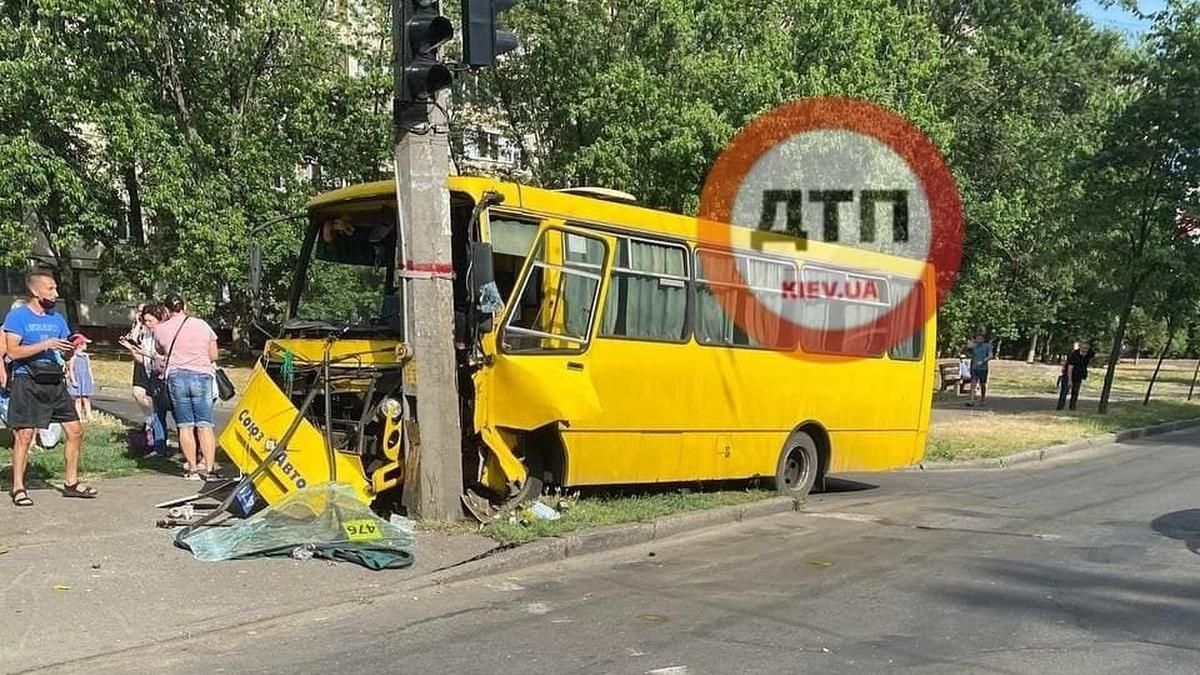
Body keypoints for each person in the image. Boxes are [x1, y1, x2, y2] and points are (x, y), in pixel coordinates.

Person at [3, 269, 96, 506]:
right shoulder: (18, 317)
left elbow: (65, 353)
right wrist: (45, 344)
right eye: (50, 289)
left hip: (54, 381)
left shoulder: (57, 318)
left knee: (75, 431)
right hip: (28, 380)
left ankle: (71, 483)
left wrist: (69, 350)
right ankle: (18, 487)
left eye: (56, 288)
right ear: (35, 291)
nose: (55, 293)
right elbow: (13, 352)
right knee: (24, 435)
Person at [153, 293, 219, 481]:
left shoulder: (160, 329)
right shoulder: (202, 325)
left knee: (185, 426)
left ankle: (192, 469)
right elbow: (213, 355)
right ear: (185, 306)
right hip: (202, 375)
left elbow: (160, 351)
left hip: (177, 377)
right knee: (205, 424)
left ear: (166, 310)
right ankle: (210, 469)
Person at [120, 304, 170, 457]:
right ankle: (159, 449)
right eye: (145, 321)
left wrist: (146, 353)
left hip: (167, 377)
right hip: (152, 376)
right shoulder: (147, 335)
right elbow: (141, 360)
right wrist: (131, 348)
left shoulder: (164, 334)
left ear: (159, 319)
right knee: (157, 414)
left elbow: (166, 358)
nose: (147, 324)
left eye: (150, 321)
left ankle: (186, 449)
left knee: (177, 415)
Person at [1058, 340, 1095, 411]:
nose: (1085, 350)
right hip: (1068, 375)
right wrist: (1069, 380)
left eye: (1087, 348)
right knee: (1064, 393)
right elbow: (1070, 368)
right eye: (1083, 348)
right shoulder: (1074, 355)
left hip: (1078, 377)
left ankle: (1072, 409)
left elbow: (1094, 354)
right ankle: (1060, 408)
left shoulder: (1088, 354)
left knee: (1075, 393)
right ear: (1080, 347)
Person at [65, 333, 95, 421]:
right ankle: (79, 415)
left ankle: (89, 415)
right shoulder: (73, 357)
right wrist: (73, 380)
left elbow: (89, 368)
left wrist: (91, 378)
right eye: (85, 344)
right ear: (79, 345)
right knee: (78, 398)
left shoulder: (86, 356)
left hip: (85, 379)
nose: (86, 346)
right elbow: (71, 369)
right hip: (78, 379)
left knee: (86, 397)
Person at [967, 331, 993, 406]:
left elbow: (990, 356)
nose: (979, 340)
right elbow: (968, 350)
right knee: (973, 384)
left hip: (983, 368)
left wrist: (983, 361)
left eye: (980, 338)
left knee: (982, 384)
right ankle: (971, 400)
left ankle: (983, 399)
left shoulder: (987, 346)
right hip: (974, 368)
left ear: (983, 339)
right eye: (977, 338)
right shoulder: (973, 346)